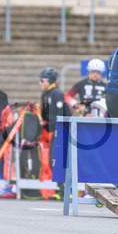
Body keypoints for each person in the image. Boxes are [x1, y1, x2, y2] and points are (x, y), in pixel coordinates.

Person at [38, 66, 67, 200]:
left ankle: (65, 189)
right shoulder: (45, 94)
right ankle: (61, 188)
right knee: (52, 161)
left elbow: (61, 114)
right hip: (52, 131)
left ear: (50, 80)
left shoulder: (56, 93)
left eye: (42, 80)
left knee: (57, 160)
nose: (40, 83)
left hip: (60, 131)